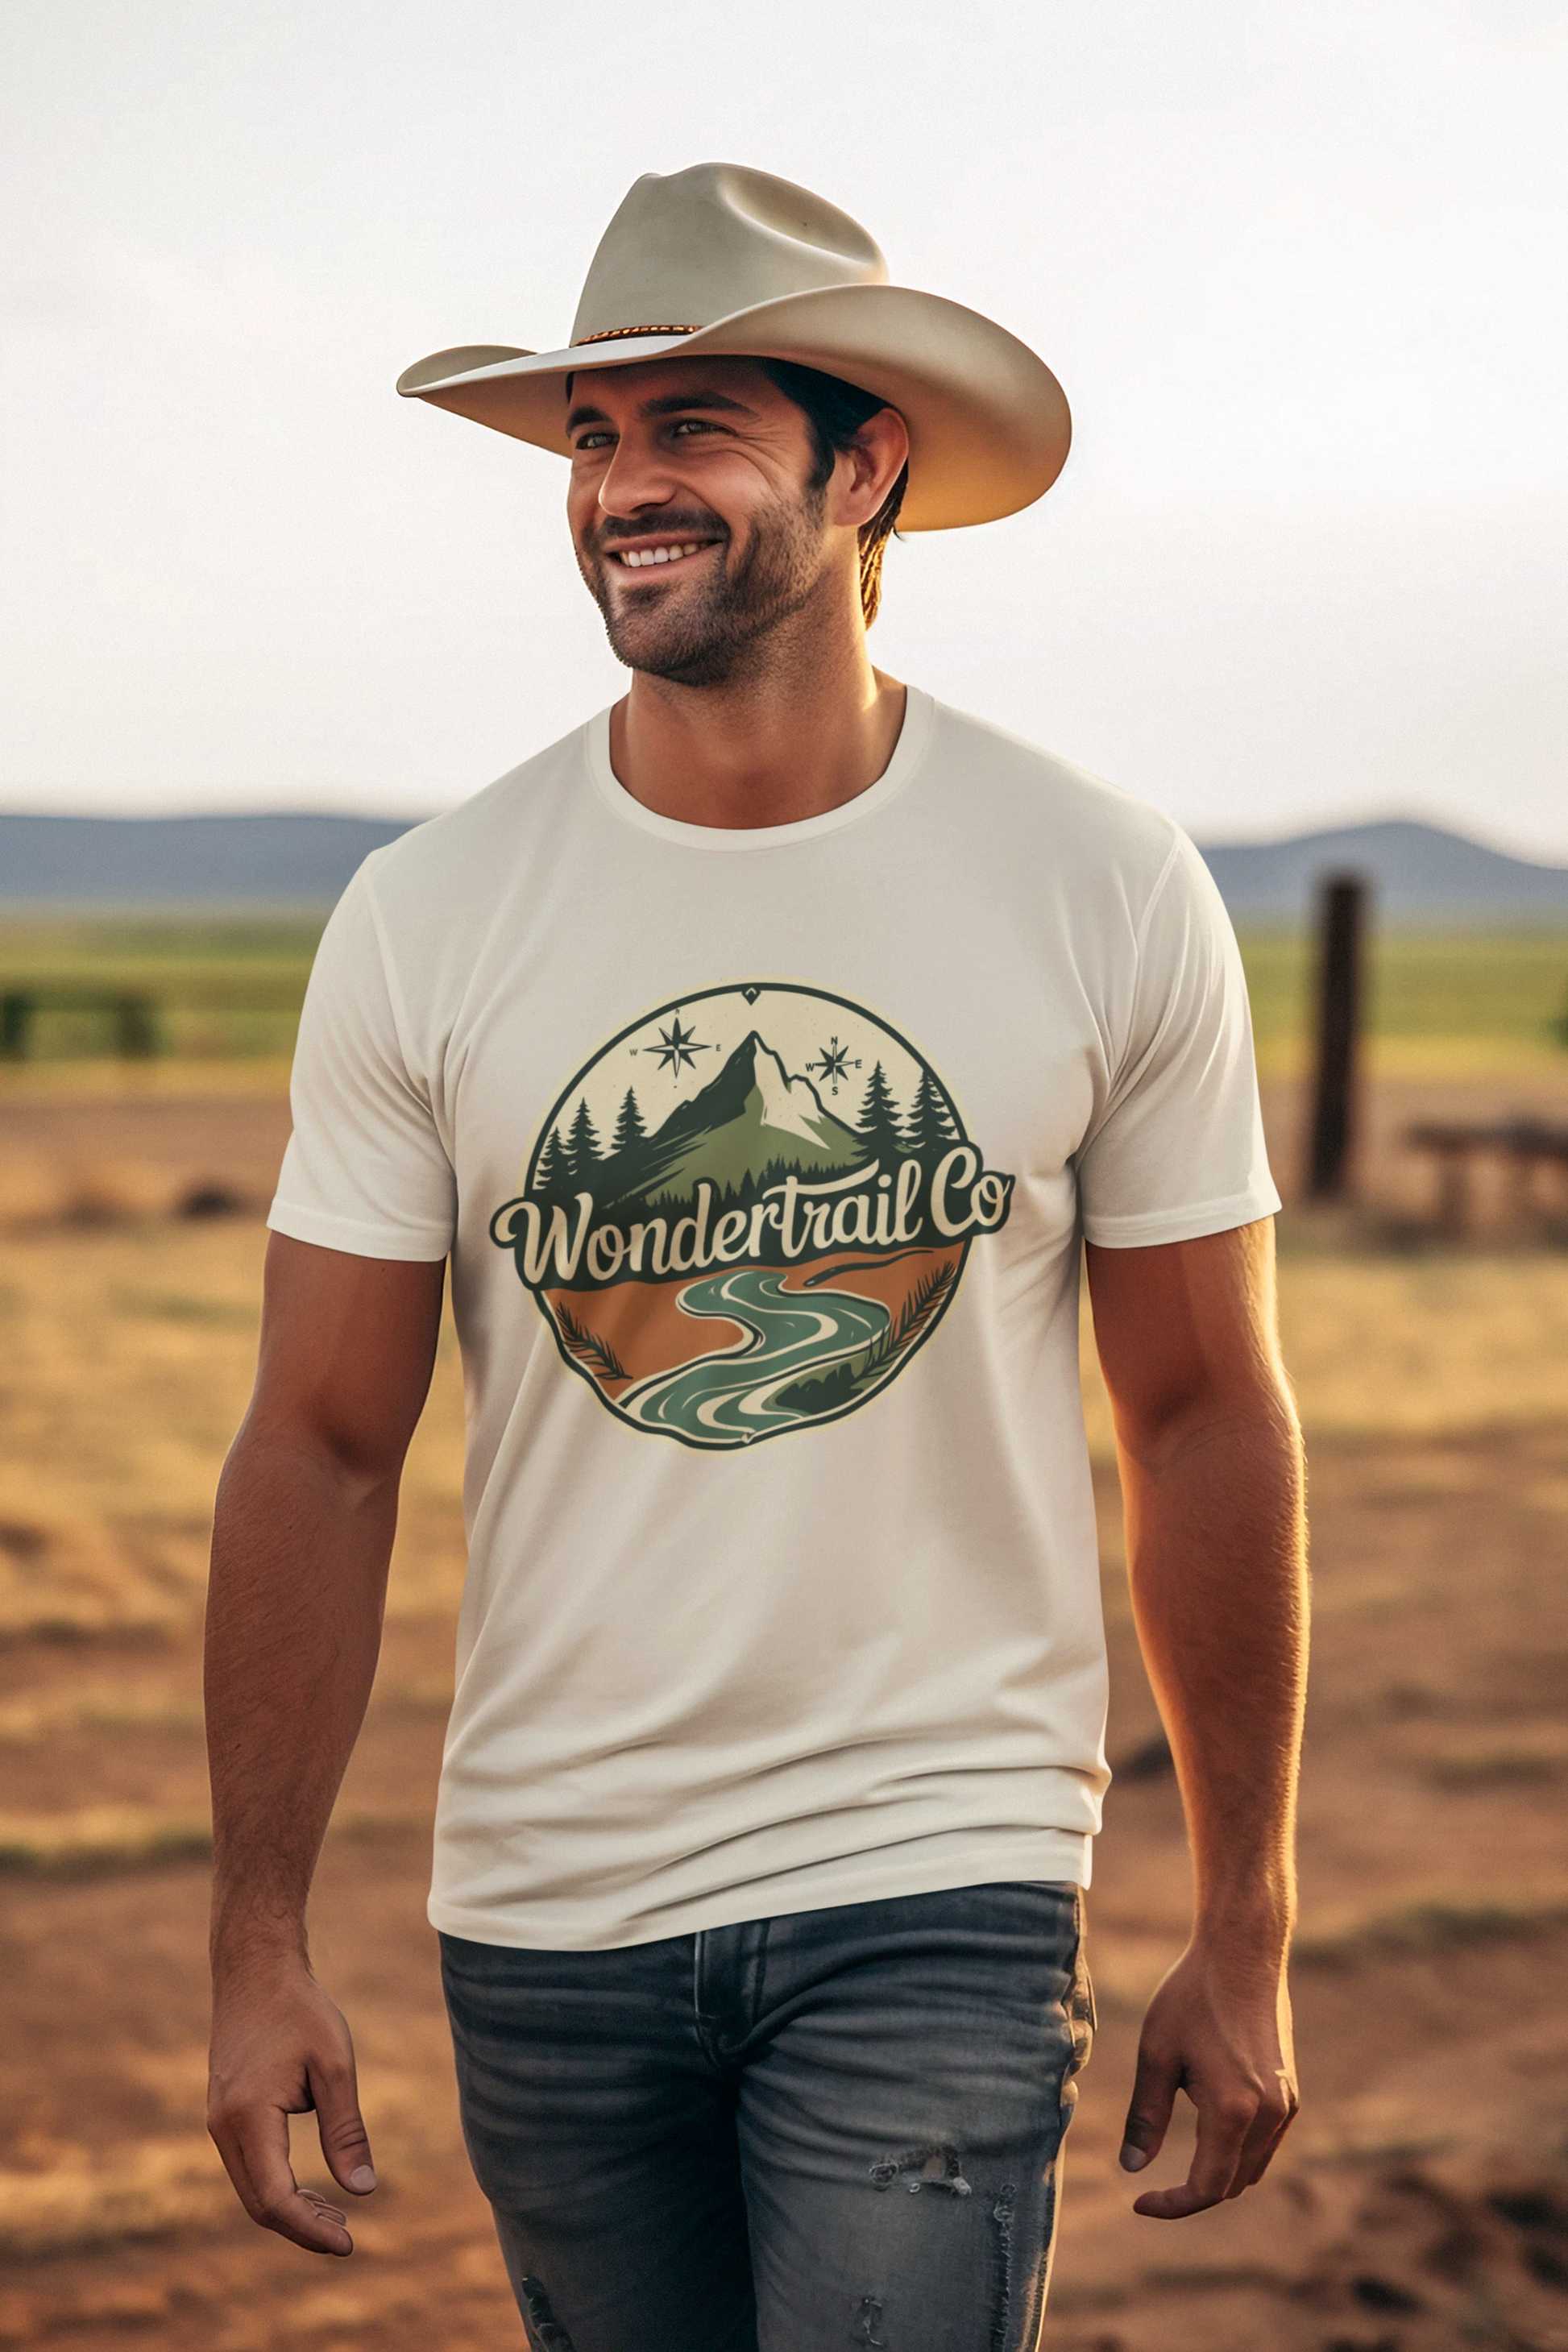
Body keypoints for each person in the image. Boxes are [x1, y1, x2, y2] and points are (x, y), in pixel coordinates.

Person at [205, 163, 1308, 2351]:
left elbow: (1203, 1411)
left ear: (864, 456)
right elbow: (322, 1442)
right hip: (546, 1903)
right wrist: (254, 1936)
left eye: (691, 422)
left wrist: (1251, 1912)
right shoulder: (431, 916)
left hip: (942, 1866)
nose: (621, 484)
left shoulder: (1096, 881)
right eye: (594, 438)